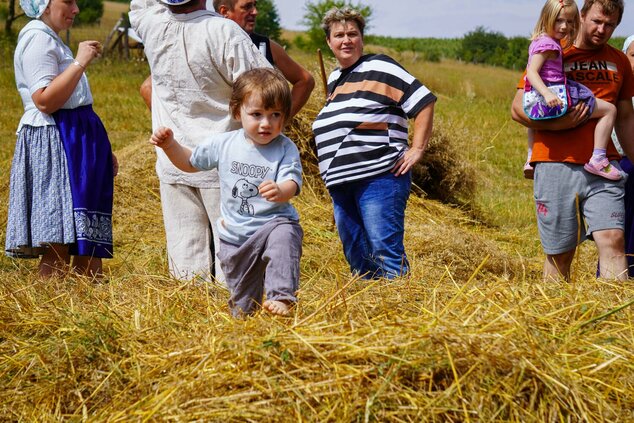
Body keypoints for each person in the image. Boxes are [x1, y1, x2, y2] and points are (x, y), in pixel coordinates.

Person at [130, 0, 271, 282]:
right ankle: (232, 320)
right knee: (234, 259)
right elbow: (266, 90)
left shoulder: (152, 25)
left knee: (186, 260)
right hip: (226, 164)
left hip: (173, 159)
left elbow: (139, 5)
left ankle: (193, 321)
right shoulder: (225, 32)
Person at [149, 68, 303, 317]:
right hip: (235, 236)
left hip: (273, 223)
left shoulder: (285, 148)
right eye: (257, 114)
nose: (266, 123)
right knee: (242, 306)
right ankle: (244, 324)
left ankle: (281, 296)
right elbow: (189, 163)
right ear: (237, 112)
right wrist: (169, 145)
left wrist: (280, 190)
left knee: (285, 238)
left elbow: (292, 183)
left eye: (275, 115)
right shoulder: (224, 144)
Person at [511, 0, 634, 281]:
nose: (602, 29)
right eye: (596, 21)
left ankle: (615, 321)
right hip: (555, 163)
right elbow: (518, 108)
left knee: (614, 240)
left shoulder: (619, 61)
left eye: (610, 25)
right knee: (560, 252)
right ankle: (555, 318)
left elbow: (625, 118)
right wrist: (561, 124)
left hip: (604, 166)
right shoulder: (554, 49)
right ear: (582, 15)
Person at [311, 7, 436, 279]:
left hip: (379, 178)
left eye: (352, 34)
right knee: (356, 254)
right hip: (341, 183)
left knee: (384, 250)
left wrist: (417, 149)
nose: (346, 40)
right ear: (328, 42)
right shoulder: (334, 79)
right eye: (339, 35)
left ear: (362, 38)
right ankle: (371, 315)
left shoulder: (380, 66)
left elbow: (424, 101)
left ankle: (401, 310)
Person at [6, 0, 116, 278]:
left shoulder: (50, 40)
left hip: (76, 139)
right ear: (44, 5)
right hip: (58, 140)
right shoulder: (37, 39)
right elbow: (45, 100)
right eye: (67, 1)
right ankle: (51, 311)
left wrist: (101, 151)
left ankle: (88, 308)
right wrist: (80, 62)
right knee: (59, 241)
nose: (76, 9)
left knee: (84, 241)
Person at [523, 0, 618, 181]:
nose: (564, 26)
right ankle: (598, 158)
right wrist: (547, 93)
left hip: (541, 93)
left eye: (570, 21)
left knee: (533, 118)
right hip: (556, 91)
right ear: (546, 18)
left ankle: (530, 157)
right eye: (558, 20)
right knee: (609, 110)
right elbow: (532, 72)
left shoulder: (540, 41)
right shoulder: (549, 45)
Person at [212, 0, 315, 117]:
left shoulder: (265, 46)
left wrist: (280, 120)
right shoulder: (209, 44)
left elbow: (305, 81)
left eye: (255, 5)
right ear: (224, 11)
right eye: (247, 7)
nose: (255, 12)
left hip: (259, 134)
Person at [613, 35, 634, 275]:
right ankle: (618, 273)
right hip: (620, 161)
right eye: (633, 55)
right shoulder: (616, 86)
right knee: (619, 225)